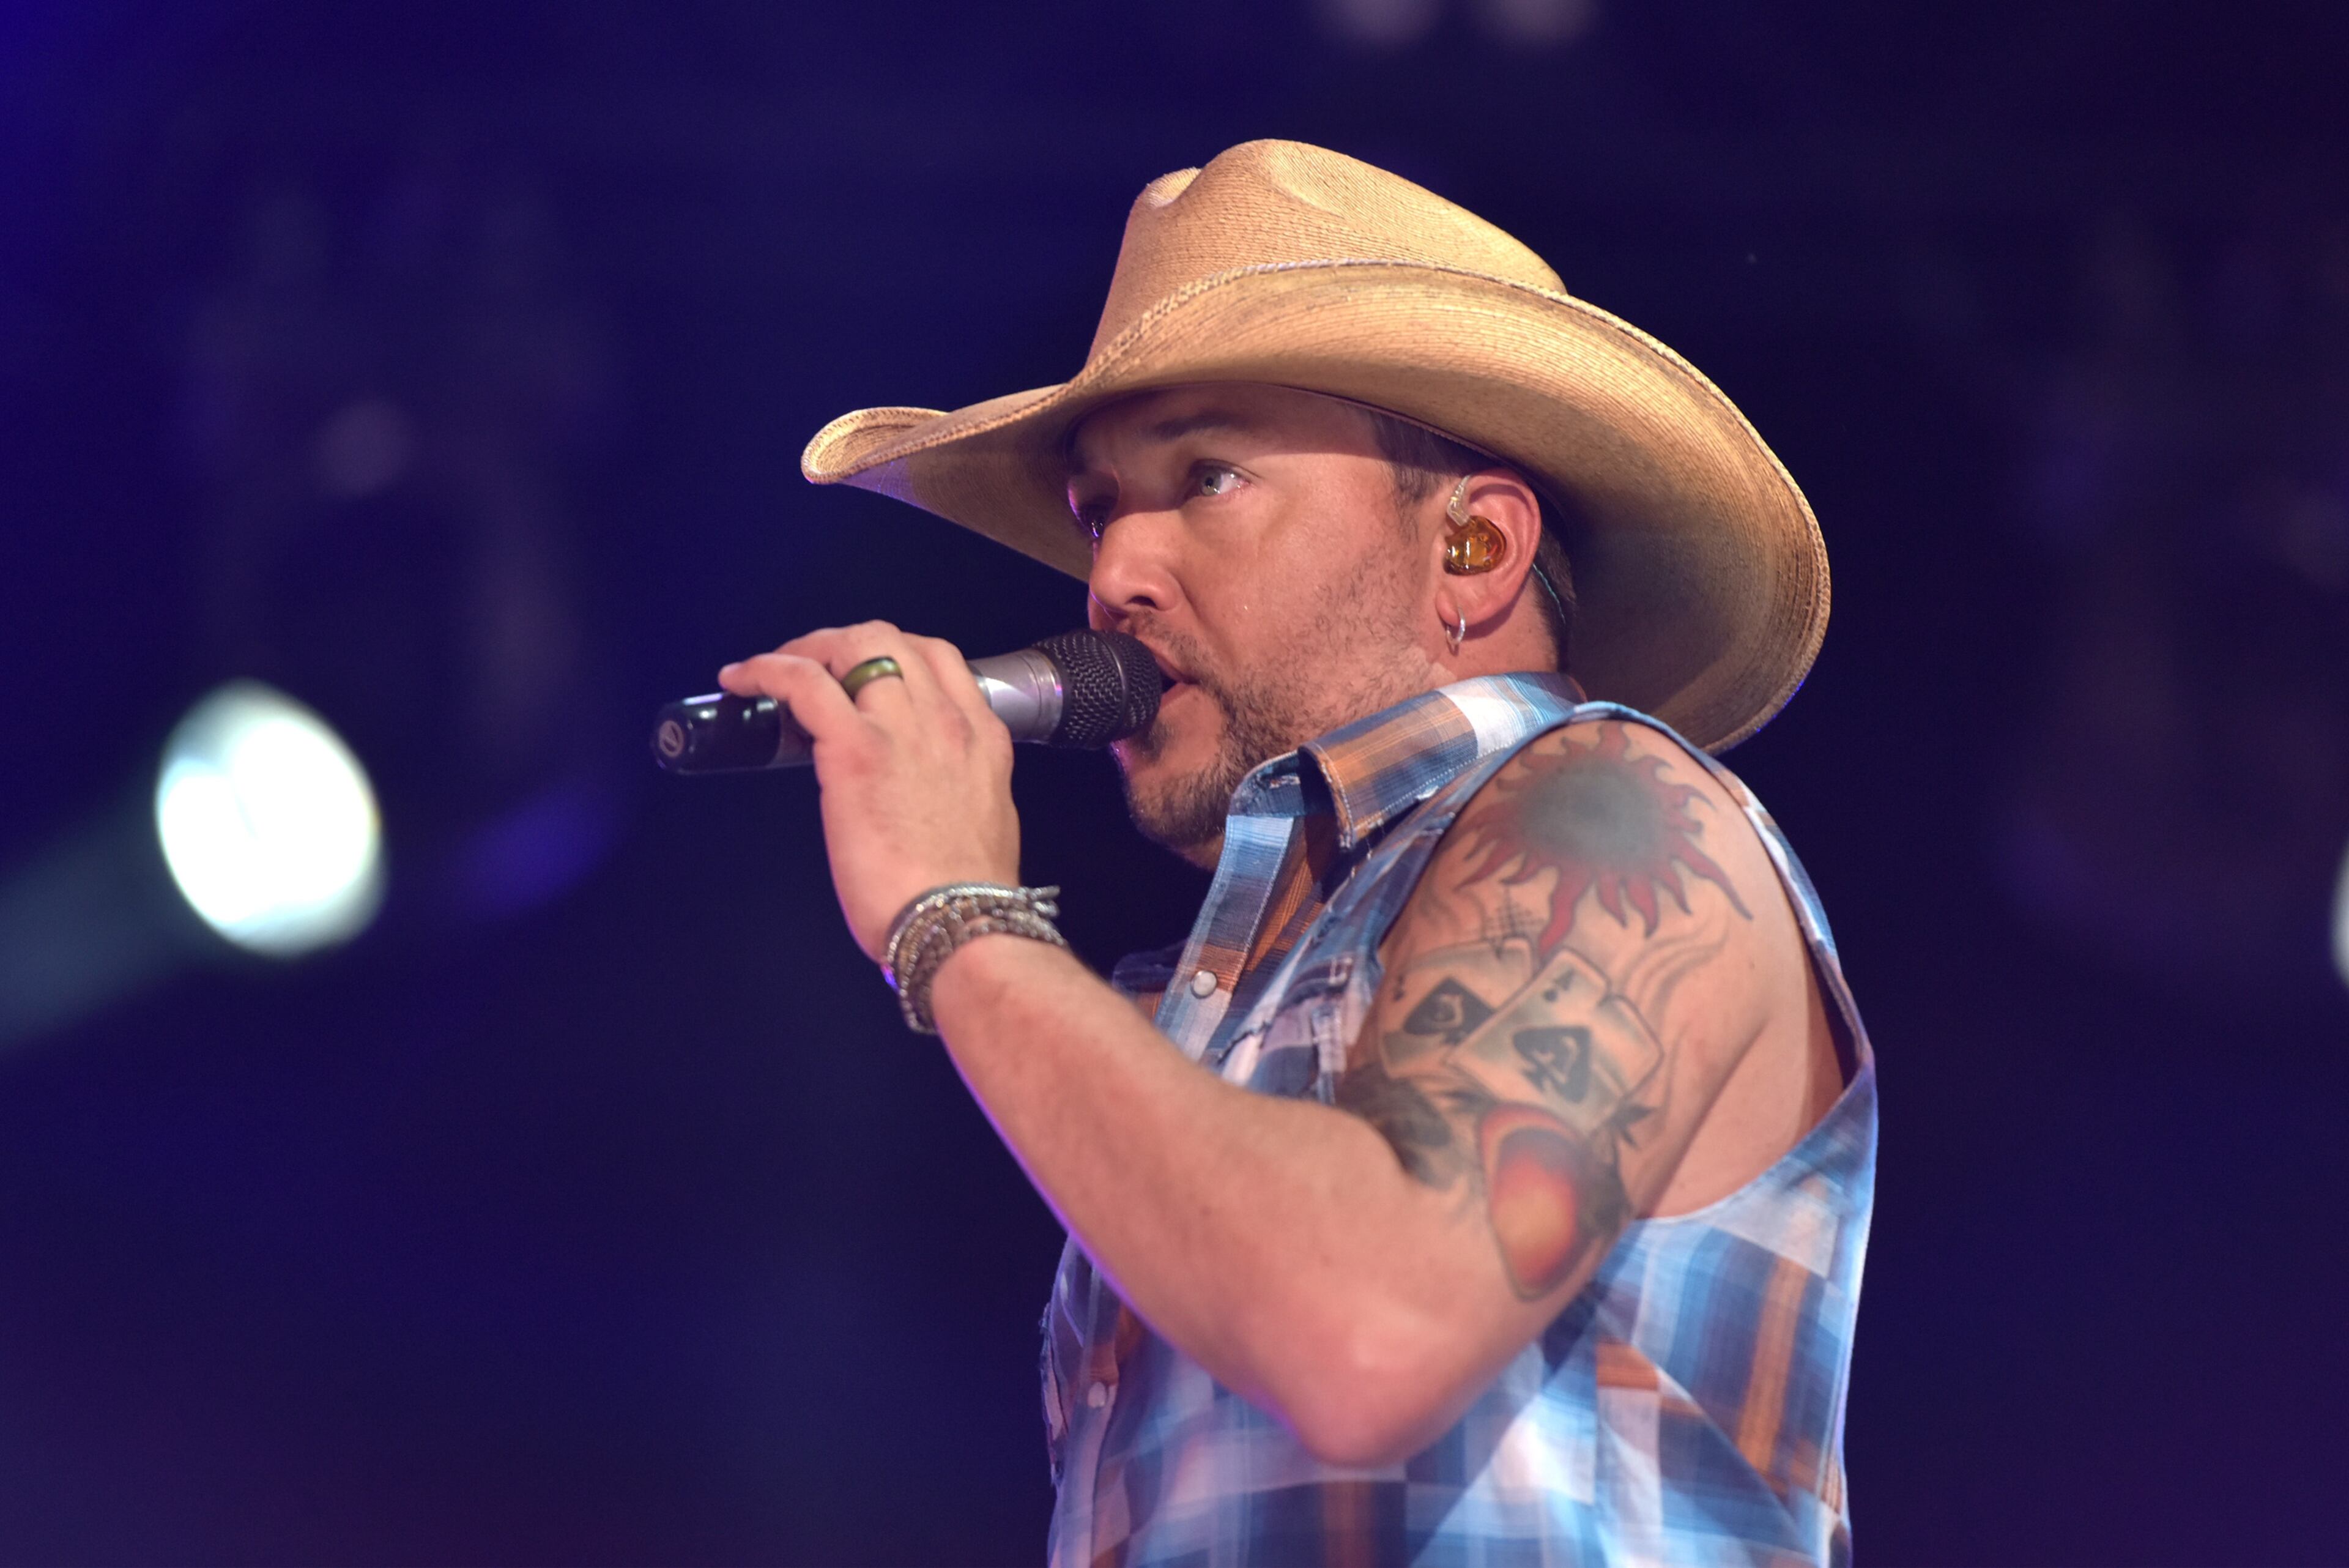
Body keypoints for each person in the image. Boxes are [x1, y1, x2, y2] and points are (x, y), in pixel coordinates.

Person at [718, 141, 1873, 1566]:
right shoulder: (1193, 1016)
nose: (1112, 577)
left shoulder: (1615, 809)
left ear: (1474, 549)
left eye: (1207, 476)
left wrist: (954, 913)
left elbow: (1370, 1331)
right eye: (1098, 511)